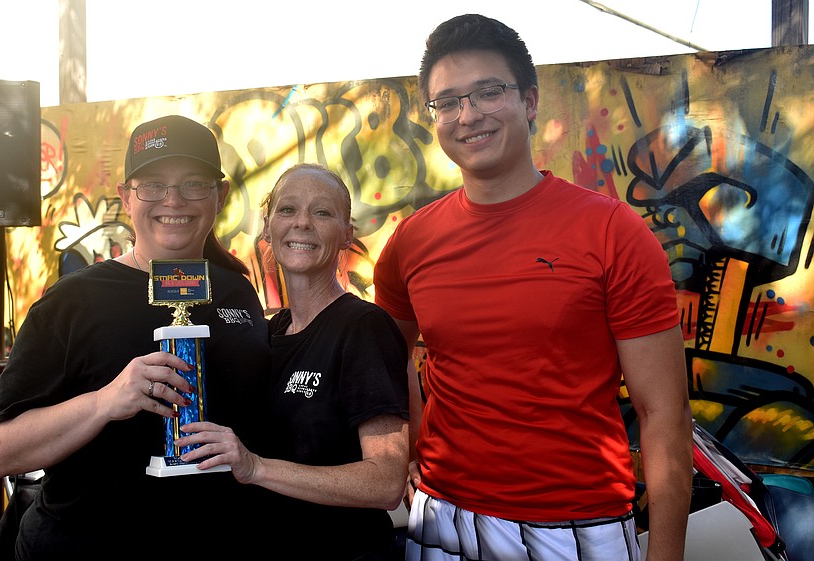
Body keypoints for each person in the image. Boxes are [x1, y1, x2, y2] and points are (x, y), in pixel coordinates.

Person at [373, 14, 694, 561]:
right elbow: (385, 358)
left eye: (487, 92)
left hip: (576, 526)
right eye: (447, 102)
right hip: (442, 518)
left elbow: (664, 412)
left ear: (529, 100)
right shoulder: (411, 241)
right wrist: (409, 447)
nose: (467, 115)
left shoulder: (612, 231)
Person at [0, 114, 271, 560]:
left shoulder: (237, 291)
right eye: (153, 185)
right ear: (126, 198)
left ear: (221, 196)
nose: (173, 200)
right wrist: (105, 401)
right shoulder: (72, 302)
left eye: (194, 183)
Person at [175, 163, 410, 560]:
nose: (302, 223)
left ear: (345, 234)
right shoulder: (269, 332)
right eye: (287, 210)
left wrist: (255, 468)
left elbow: (386, 482)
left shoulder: (362, 327)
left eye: (322, 212)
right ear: (267, 229)